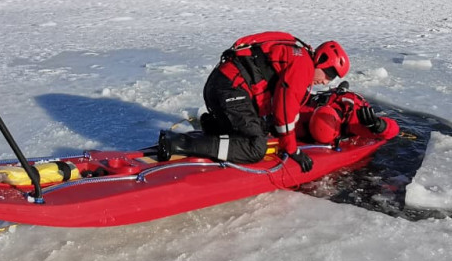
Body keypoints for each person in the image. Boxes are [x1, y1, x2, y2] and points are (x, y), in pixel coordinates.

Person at [157, 31, 350, 172]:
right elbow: (285, 109)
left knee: (257, 130)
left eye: (331, 79)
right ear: (321, 61)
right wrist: (292, 149)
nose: (325, 81)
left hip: (220, 86)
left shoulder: (297, 55)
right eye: (329, 74)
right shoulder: (303, 65)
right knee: (256, 147)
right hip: (231, 89)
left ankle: (215, 127)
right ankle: (181, 143)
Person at [299, 84, 401, 144]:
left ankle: (342, 89)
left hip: (353, 102)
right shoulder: (309, 111)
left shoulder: (355, 121)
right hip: (331, 97)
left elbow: (394, 130)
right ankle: (341, 89)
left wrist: (378, 125)